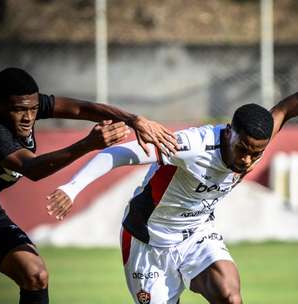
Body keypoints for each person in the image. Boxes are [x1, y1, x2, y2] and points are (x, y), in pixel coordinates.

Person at [47, 92, 298, 304]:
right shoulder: (192, 146)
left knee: (230, 297)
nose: (246, 160)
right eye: (242, 149)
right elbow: (121, 152)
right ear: (229, 132)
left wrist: (253, 151)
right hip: (148, 242)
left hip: (196, 235)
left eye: (256, 154)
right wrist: (72, 187)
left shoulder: (256, 139)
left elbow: (285, 108)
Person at [0, 67, 178, 304]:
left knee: (35, 275)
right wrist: (89, 144)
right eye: (19, 110)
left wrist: (134, 120)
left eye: (33, 108)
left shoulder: (27, 107)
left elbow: (82, 109)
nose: (29, 117)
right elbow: (32, 169)